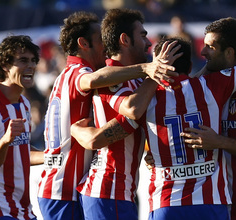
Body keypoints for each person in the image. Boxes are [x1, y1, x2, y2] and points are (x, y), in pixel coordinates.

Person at [73, 32, 236, 220]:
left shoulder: (145, 100)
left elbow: (102, 137)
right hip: (210, 203)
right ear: (190, 63)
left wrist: (76, 129)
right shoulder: (212, 86)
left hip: (165, 203)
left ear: (157, 65)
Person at [37, 10, 177, 220]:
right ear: (84, 44)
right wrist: (149, 69)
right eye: (100, 40)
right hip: (74, 189)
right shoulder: (83, 73)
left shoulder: (66, 75)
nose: (106, 47)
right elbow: (109, 102)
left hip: (68, 185)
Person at [180, 17, 236, 220]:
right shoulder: (205, 88)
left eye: (210, 47)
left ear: (229, 53)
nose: (203, 52)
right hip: (211, 205)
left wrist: (218, 142)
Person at [0, 35, 42, 220]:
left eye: (33, 60)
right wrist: (6, 140)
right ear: (5, 65)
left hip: (24, 211)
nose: (31, 66)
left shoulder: (24, 104)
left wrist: (54, 155)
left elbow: (21, 152)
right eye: (23, 60)